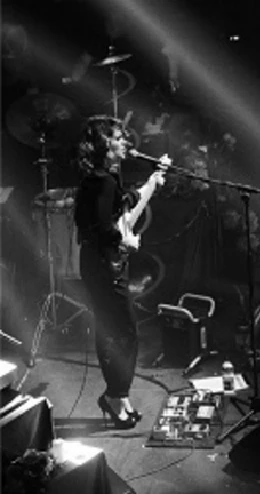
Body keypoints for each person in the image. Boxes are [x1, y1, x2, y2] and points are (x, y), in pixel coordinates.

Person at [75, 118, 168, 429]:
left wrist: (152, 183)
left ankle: (120, 397)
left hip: (103, 261)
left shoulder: (106, 177)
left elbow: (120, 215)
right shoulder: (102, 181)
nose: (126, 143)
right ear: (104, 145)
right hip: (104, 264)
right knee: (122, 331)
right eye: (118, 139)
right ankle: (115, 395)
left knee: (115, 329)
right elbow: (104, 229)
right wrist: (125, 239)